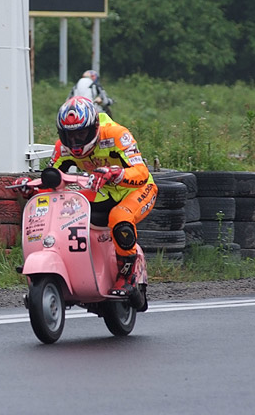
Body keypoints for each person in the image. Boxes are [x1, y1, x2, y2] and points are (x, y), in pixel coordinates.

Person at [17, 96, 157, 311]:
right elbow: (52, 179)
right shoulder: (62, 148)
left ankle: (127, 276)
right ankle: (88, 268)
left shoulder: (117, 135)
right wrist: (31, 188)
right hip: (103, 190)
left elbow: (141, 172)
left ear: (94, 127)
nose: (75, 142)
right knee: (71, 211)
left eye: (81, 134)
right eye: (69, 136)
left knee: (119, 217)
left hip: (137, 189)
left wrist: (115, 173)